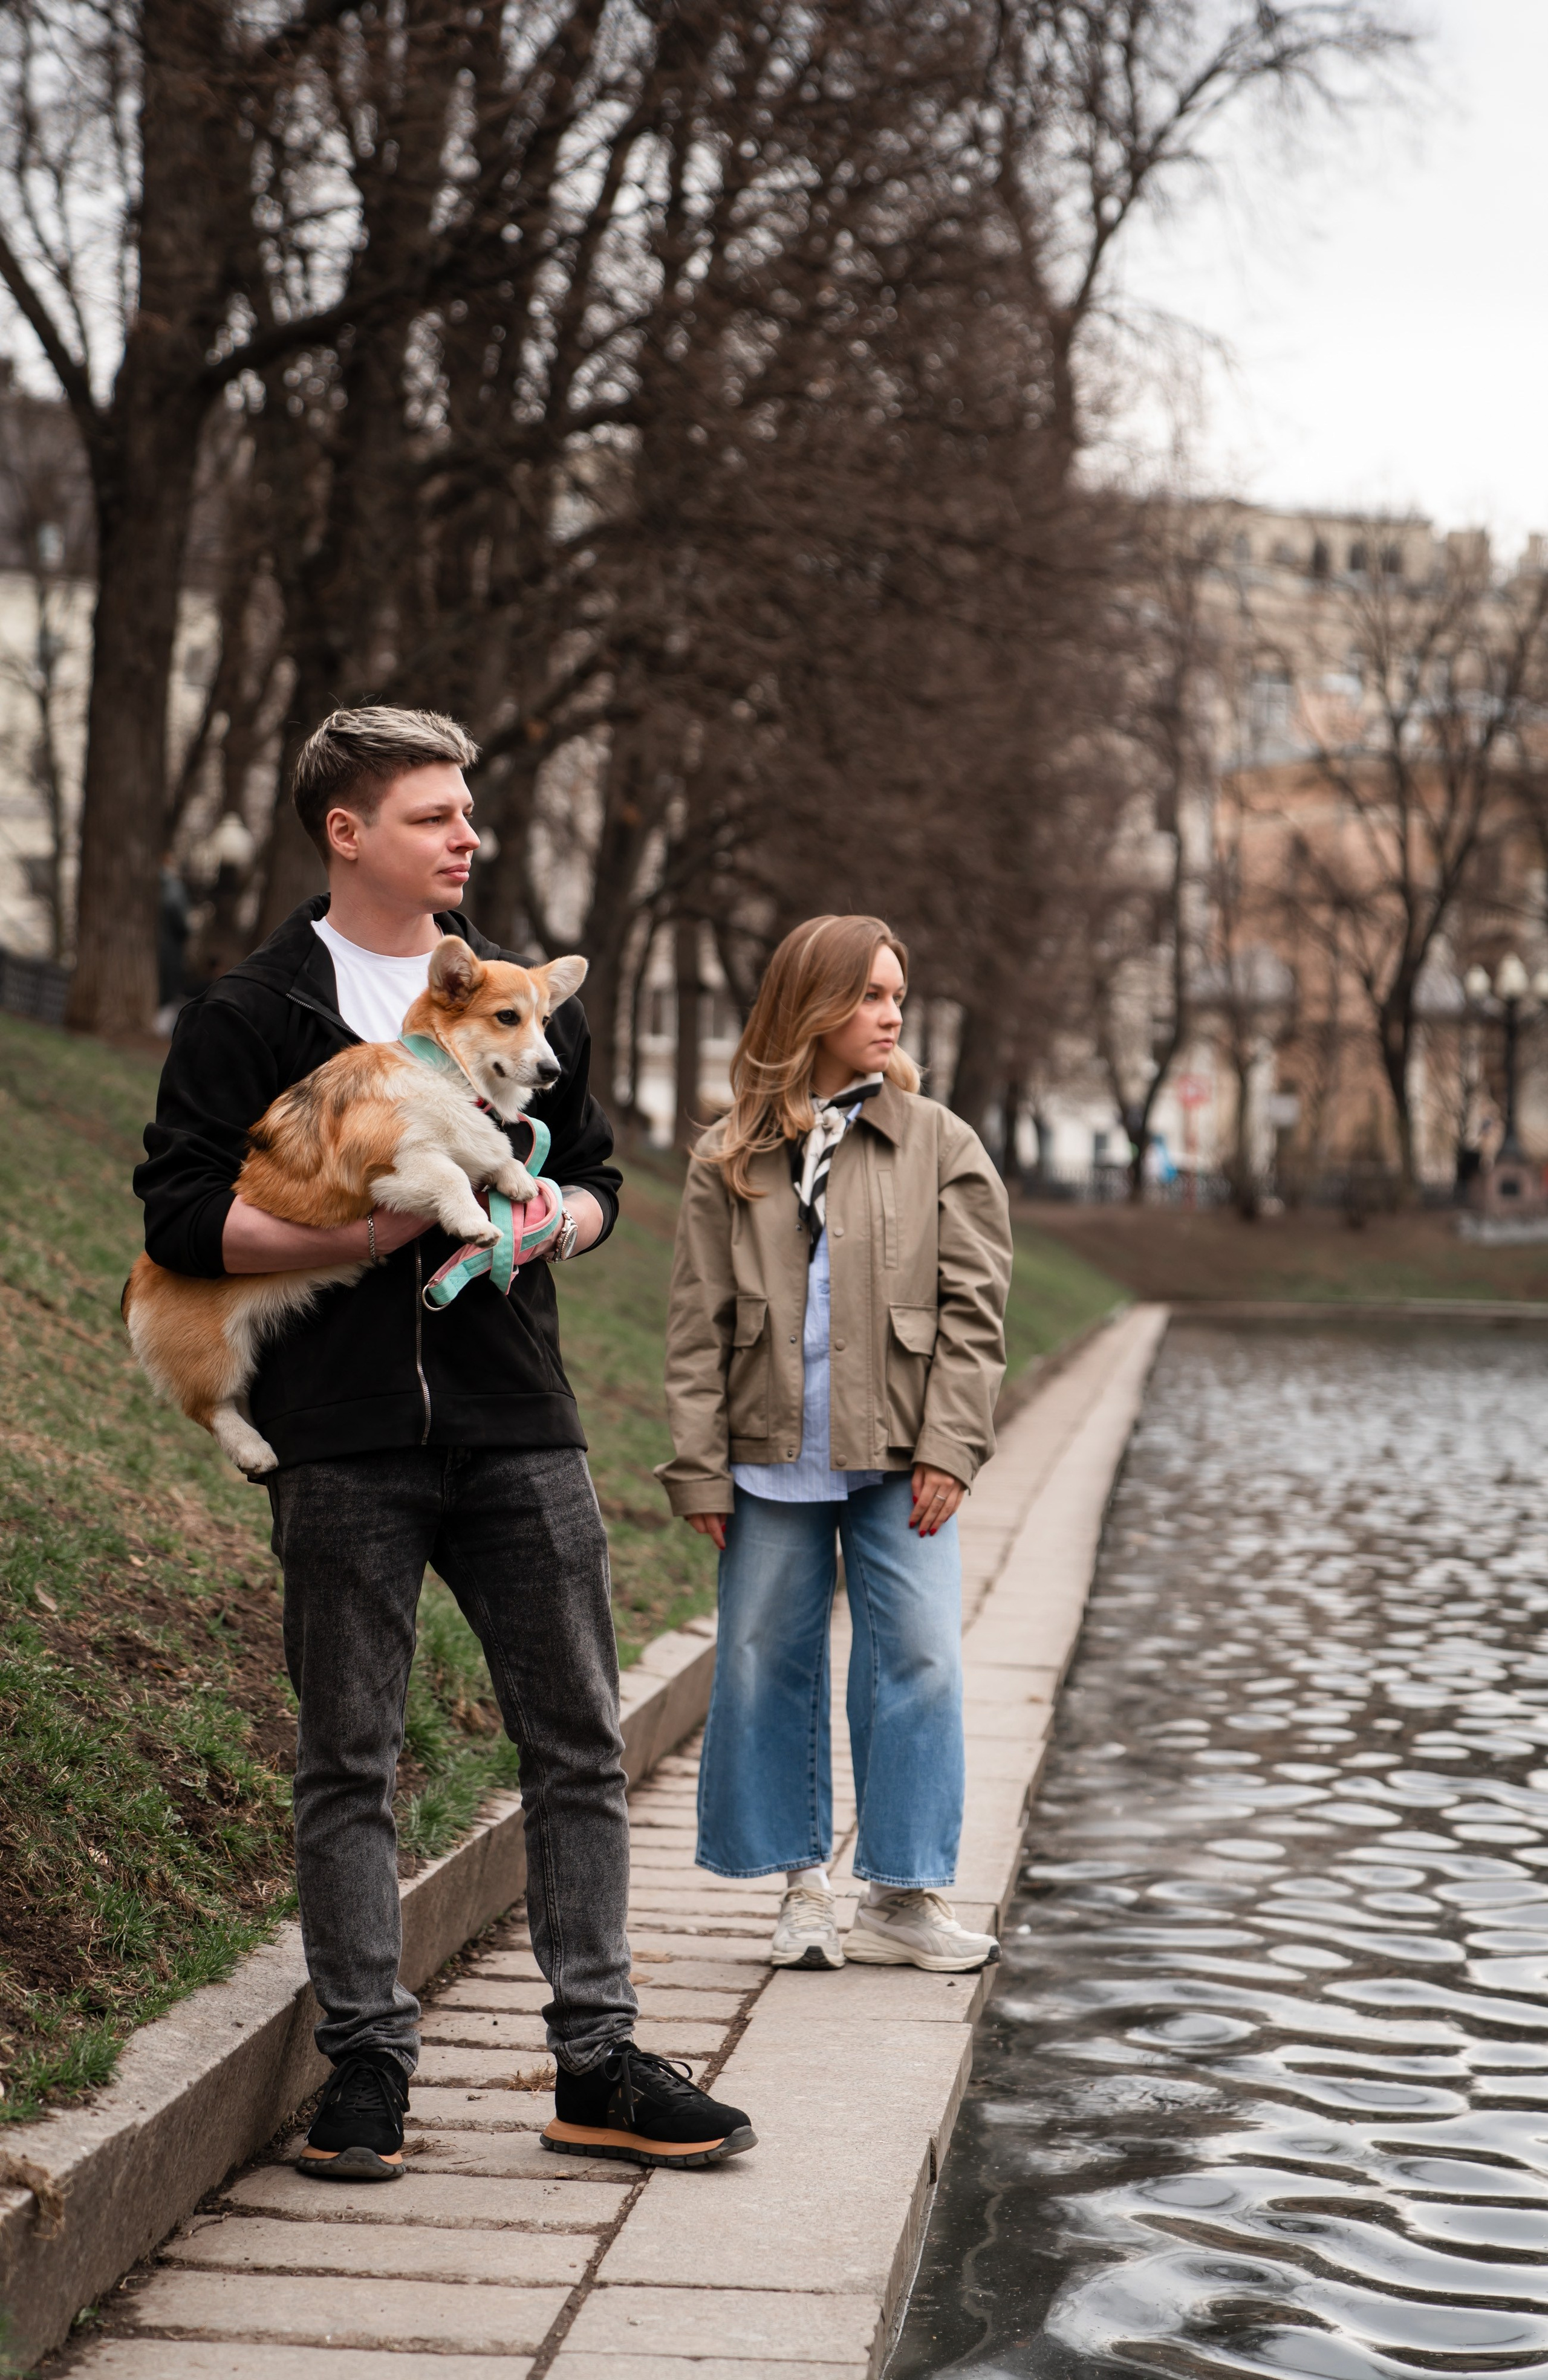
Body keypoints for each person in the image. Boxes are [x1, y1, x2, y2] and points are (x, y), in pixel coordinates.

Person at [135, 707, 753, 2177]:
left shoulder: (528, 1000)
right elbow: (176, 1217)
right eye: (432, 814)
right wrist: (371, 1222)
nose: (465, 835)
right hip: (340, 1439)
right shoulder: (249, 1014)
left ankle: (595, 2062)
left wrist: (559, 1219)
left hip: (516, 1421)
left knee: (580, 1743)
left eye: (467, 813)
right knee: (349, 1760)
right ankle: (365, 2068)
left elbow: (593, 1176)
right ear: (347, 832)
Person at [658, 914, 1012, 1973]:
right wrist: (698, 1463)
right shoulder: (732, 1154)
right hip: (769, 1455)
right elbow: (695, 1323)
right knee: (767, 1660)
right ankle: (801, 1885)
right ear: (810, 1007)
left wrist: (953, 1442)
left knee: (921, 1657)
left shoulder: (939, 1140)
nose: (891, 1012)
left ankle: (903, 1892)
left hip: (902, 1455)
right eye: (868, 994)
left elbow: (975, 1310)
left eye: (896, 992)